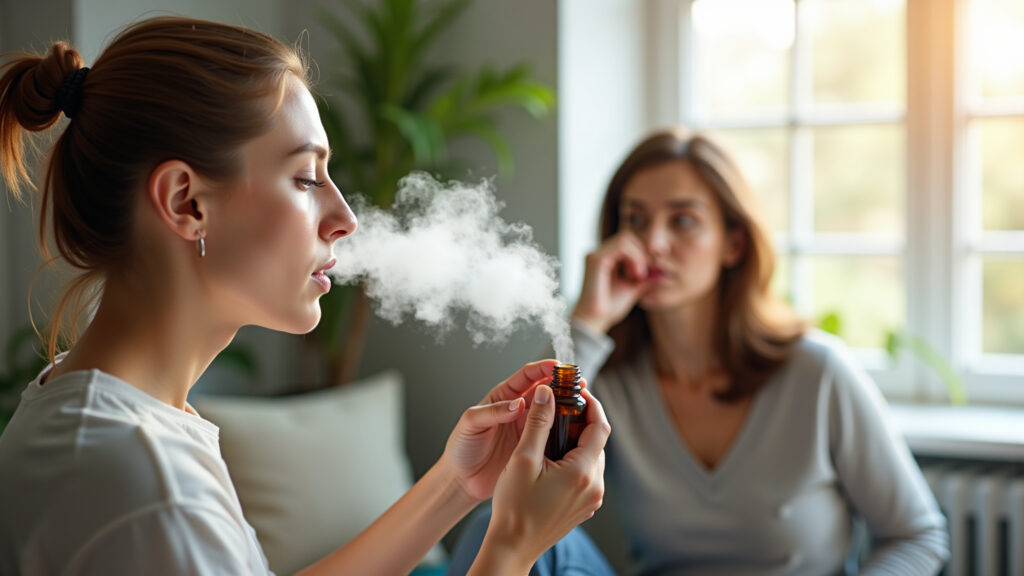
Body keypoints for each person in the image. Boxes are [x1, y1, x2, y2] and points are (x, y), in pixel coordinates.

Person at [0, 17, 610, 576]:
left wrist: (459, 484)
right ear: (187, 202)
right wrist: (511, 548)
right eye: (305, 177)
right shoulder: (144, 484)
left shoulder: (118, 418)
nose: (345, 216)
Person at [566, 128, 950, 575]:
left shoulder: (818, 373)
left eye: (682, 220)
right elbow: (525, 473)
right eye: (635, 220)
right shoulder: (607, 380)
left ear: (734, 244)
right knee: (501, 529)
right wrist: (586, 323)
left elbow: (918, 536)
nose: (653, 243)